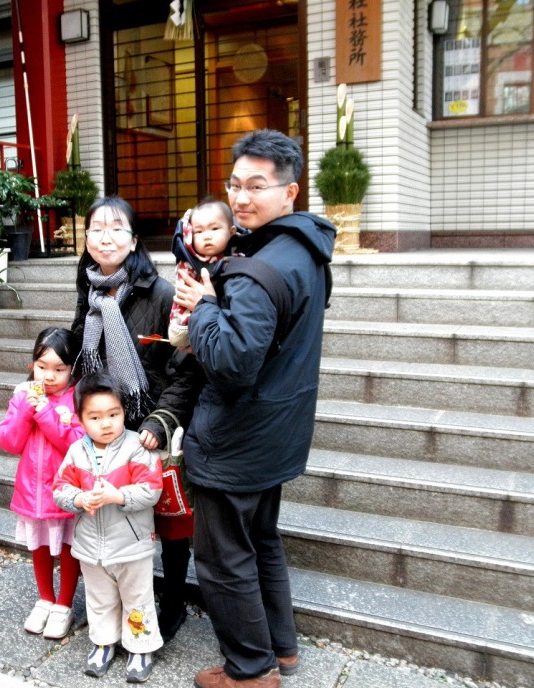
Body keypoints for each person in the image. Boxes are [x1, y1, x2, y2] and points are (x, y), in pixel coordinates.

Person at [174, 129, 336, 688]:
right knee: (261, 539)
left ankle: (249, 671)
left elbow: (230, 362)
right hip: (277, 429)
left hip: (237, 437)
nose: (241, 198)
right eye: (235, 184)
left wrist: (202, 308)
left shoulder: (256, 270)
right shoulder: (306, 250)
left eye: (257, 186)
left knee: (224, 558)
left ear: (289, 192)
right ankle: (281, 648)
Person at [72, 195, 204, 641]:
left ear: (133, 240)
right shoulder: (89, 290)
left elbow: (188, 368)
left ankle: (173, 601)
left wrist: (160, 421)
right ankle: (122, 599)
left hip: (150, 425)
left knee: (166, 517)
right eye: (96, 229)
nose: (105, 237)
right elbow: (78, 352)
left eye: (116, 228)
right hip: (104, 426)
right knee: (114, 513)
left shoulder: (162, 293)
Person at [53, 371, 164, 683]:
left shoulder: (136, 447)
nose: (106, 424)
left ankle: (140, 647)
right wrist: (79, 499)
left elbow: (151, 489)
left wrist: (119, 495)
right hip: (90, 546)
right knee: (100, 600)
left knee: (137, 599)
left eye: (114, 414)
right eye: (95, 417)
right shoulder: (77, 451)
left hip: (131, 545)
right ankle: (103, 642)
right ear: (80, 419)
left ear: (124, 412)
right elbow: (60, 488)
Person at [0, 327, 85, 640]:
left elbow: (76, 444)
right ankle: (46, 598)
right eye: (42, 366)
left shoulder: (76, 398)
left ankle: (64, 604)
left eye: (59, 369)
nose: (49, 376)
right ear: (31, 364)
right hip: (32, 490)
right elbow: (9, 442)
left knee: (69, 547)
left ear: (72, 369)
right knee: (40, 545)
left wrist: (45, 412)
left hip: (65, 490)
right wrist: (25, 407)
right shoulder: (23, 395)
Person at [168, 199, 238, 349]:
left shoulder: (240, 262)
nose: (206, 236)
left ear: (231, 232)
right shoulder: (188, 262)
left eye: (214, 229)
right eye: (199, 231)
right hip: (189, 326)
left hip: (224, 333)